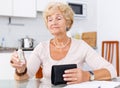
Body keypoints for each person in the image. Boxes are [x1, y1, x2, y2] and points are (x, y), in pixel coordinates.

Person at [10, 2, 117, 85]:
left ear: (68, 22)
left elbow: (111, 71)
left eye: (58, 18)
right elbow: (23, 78)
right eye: (50, 19)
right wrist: (21, 69)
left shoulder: (81, 46)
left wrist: (88, 75)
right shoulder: (41, 47)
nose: (53, 22)